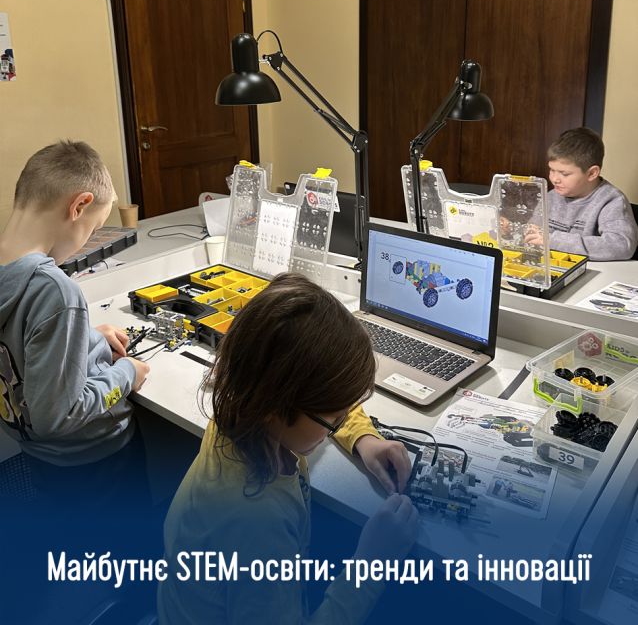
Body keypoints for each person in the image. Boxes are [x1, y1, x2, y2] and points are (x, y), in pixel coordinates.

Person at [158, 273, 418, 624]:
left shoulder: (241, 407)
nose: (341, 422)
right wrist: (373, 565)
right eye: (335, 419)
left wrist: (363, 437)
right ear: (276, 403)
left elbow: (320, 391)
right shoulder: (258, 523)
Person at [0, 141, 150, 495]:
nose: (87, 242)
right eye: (93, 230)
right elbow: (61, 416)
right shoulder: (54, 290)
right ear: (79, 206)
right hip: (96, 460)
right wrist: (127, 373)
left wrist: (87, 337)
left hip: (39, 454)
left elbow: (18, 352)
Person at [525, 127, 637, 261]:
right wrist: (512, 231)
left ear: (592, 173)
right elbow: (534, 233)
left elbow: (621, 245)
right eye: (552, 170)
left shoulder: (611, 200)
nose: (554, 179)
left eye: (564, 174)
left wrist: (552, 240)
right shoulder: (552, 195)